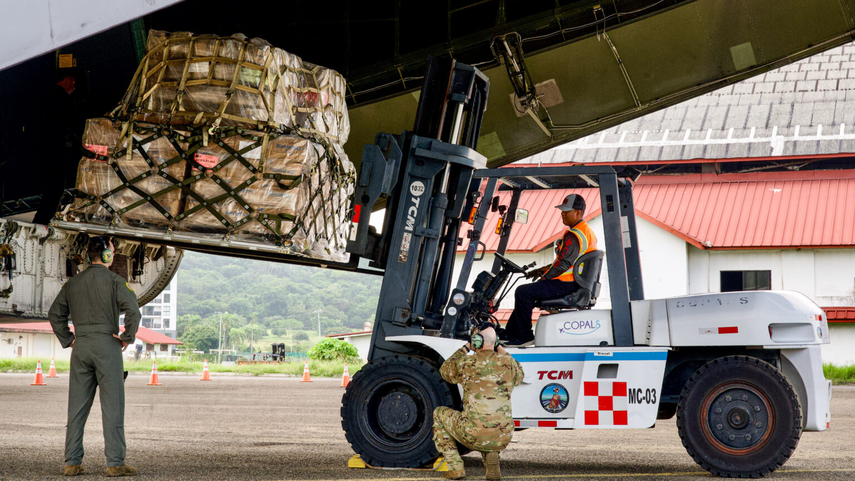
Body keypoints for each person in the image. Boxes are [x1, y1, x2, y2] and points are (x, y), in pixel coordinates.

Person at [48, 236, 141, 477]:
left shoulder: (73, 283)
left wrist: (69, 339)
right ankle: (115, 462)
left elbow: (54, 314)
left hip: (81, 347)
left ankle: (72, 462)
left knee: (76, 408)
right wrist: (126, 338)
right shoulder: (115, 281)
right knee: (112, 406)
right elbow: (133, 311)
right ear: (108, 256)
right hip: (107, 346)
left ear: (89, 255)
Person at [500, 194, 598, 347]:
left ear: (578, 212)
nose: (562, 213)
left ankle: (524, 337)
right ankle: (510, 333)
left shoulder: (574, 235)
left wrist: (545, 278)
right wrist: (541, 270)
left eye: (566, 211)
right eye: (562, 210)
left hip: (566, 283)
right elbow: (566, 262)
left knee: (523, 292)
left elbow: (563, 264)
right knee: (526, 293)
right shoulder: (586, 232)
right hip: (574, 282)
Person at [433, 326, 524, 480]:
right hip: (503, 434)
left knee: (439, 413)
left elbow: (445, 370)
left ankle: (456, 468)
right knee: (489, 421)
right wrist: (499, 347)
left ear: (477, 341)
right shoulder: (509, 363)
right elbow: (520, 375)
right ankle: (491, 457)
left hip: (473, 433)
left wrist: (466, 347)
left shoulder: (466, 363)